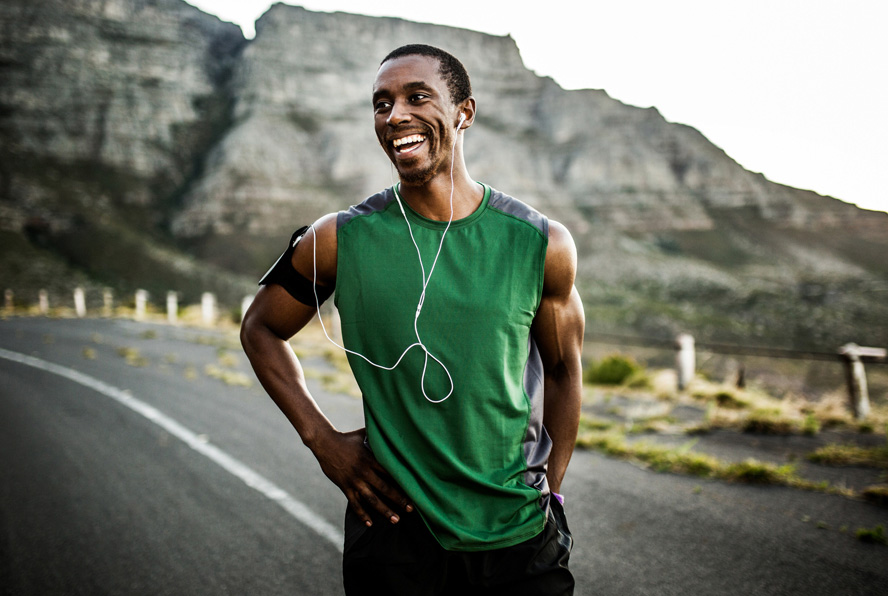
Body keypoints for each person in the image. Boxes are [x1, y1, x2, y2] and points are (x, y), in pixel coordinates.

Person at [241, 44, 585, 595]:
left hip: (520, 538)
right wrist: (322, 440)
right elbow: (260, 328)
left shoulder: (541, 243)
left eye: (416, 97)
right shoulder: (337, 239)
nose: (394, 115)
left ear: (463, 112)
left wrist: (553, 489)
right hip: (394, 534)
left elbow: (566, 370)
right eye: (381, 104)